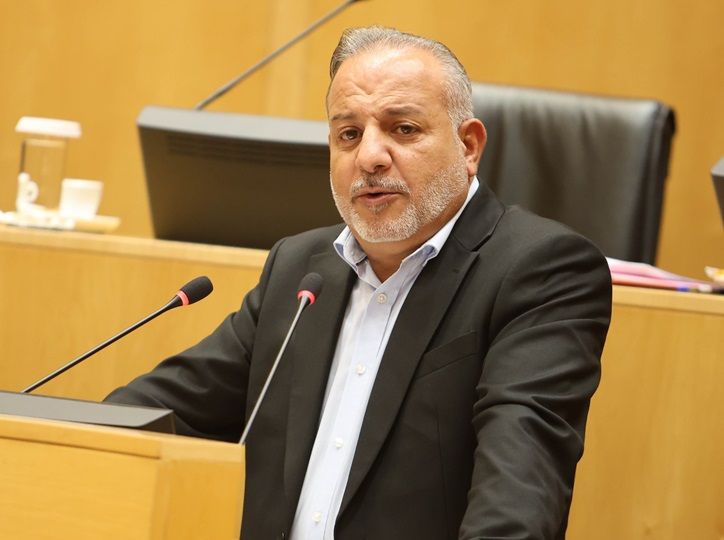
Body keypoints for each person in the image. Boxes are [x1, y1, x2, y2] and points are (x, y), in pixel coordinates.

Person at [106, 26, 611, 539]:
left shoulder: (542, 271)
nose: (369, 157)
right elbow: (153, 414)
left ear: (468, 146)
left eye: (403, 129)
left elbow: (517, 500)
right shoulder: (300, 271)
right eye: (348, 134)